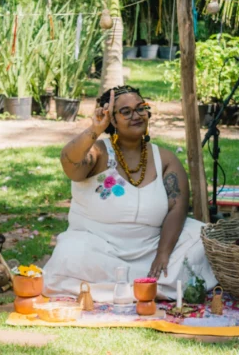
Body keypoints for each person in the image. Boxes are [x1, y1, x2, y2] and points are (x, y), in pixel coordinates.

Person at [43, 85, 217, 301]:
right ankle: (154, 288)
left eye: (140, 108)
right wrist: (94, 130)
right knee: (71, 252)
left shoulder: (165, 159)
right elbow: (69, 162)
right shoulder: (97, 152)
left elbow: (177, 208)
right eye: (126, 112)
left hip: (152, 247)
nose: (136, 116)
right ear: (112, 120)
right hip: (98, 250)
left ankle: (126, 286)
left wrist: (163, 253)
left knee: (203, 238)